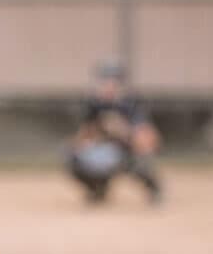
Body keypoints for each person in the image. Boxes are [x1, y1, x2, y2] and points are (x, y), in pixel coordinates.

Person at [68, 60, 163, 204]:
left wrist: (122, 131)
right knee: (73, 156)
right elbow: (83, 135)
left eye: (113, 81)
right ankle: (97, 188)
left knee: (139, 160)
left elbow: (148, 139)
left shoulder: (131, 104)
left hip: (126, 151)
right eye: (105, 80)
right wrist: (89, 139)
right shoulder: (94, 104)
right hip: (105, 150)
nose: (109, 85)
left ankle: (152, 187)